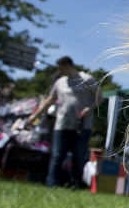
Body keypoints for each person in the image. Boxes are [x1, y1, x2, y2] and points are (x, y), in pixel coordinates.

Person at [29, 56, 102, 188]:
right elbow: (49, 100)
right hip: (62, 123)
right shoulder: (60, 82)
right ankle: (52, 183)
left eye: (60, 68)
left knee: (78, 156)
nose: (58, 71)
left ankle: (76, 184)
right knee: (57, 154)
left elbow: (99, 97)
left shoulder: (86, 79)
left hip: (82, 124)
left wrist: (89, 109)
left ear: (67, 65)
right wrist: (35, 116)